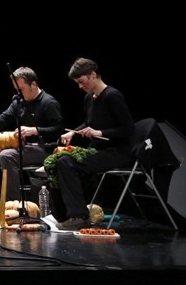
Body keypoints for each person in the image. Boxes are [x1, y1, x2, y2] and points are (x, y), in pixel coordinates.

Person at [53, 57, 135, 230]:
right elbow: (89, 122)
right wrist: (72, 133)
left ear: (93, 75)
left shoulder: (112, 96)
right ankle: (64, 213)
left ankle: (78, 216)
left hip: (117, 152)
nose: (80, 87)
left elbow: (128, 129)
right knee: (58, 160)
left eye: (82, 82)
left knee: (66, 162)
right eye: (77, 83)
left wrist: (100, 133)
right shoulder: (89, 98)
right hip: (98, 151)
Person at [0, 66, 64, 201]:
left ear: (33, 84)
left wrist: (35, 130)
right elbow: (0, 122)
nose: (19, 93)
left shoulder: (49, 102)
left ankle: (14, 201)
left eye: (21, 89)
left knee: (6, 156)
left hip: (46, 148)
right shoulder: (18, 102)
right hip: (25, 147)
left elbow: (59, 130)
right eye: (16, 89)